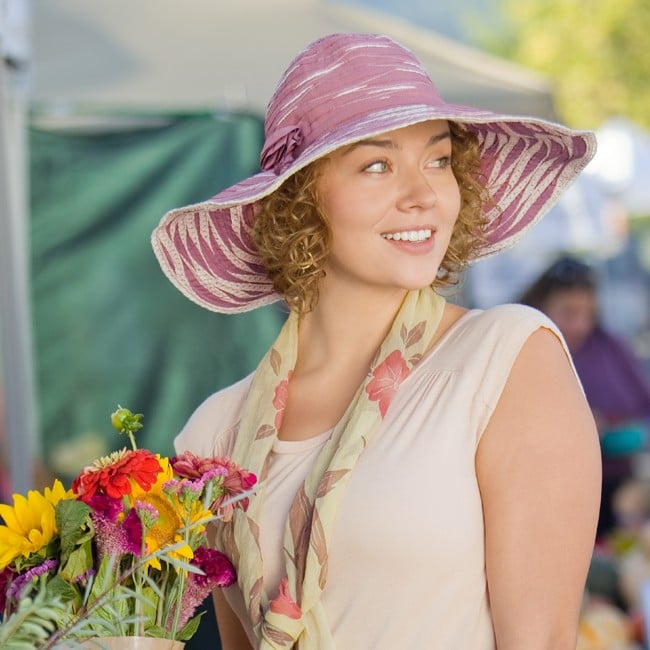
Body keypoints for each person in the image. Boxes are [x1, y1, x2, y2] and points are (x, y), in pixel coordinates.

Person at [152, 33, 601, 650]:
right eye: (377, 165)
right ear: (302, 202)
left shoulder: (506, 362)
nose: (423, 194)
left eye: (439, 160)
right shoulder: (215, 435)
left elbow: (543, 642)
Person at [520, 255, 650, 538]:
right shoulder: (522, 351)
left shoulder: (611, 347)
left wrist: (623, 434)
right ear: (539, 307)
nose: (580, 325)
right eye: (568, 312)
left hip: (618, 493)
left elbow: (645, 411)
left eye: (587, 314)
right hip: (547, 497)